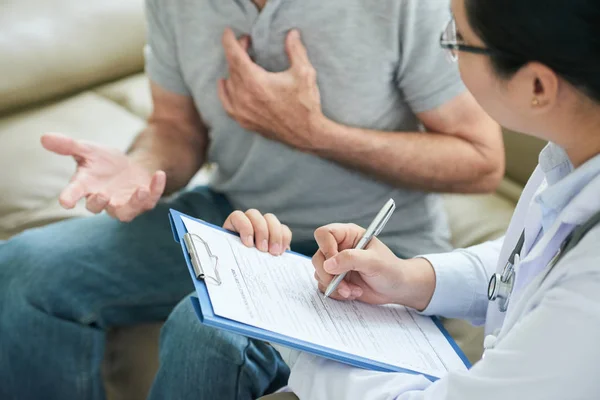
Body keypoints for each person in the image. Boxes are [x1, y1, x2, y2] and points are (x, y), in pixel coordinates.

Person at [0, 1, 503, 399]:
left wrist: (316, 133)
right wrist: (142, 165)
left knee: (210, 332)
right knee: (25, 267)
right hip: (237, 220)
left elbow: (482, 159)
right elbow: (175, 126)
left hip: (371, 254)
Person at [224, 0, 600, 398]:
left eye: (459, 40)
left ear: (537, 86)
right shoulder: (571, 156)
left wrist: (302, 339)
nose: (448, 52)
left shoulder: (589, 291)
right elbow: (526, 260)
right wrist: (410, 279)